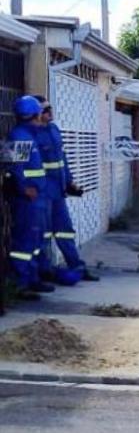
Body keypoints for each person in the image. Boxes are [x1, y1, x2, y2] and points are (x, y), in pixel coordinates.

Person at [36, 100, 99, 282]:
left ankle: (76, 265)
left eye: (50, 107)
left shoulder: (54, 130)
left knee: (65, 230)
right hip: (42, 192)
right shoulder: (32, 135)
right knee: (44, 233)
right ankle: (44, 270)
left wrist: (70, 182)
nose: (50, 111)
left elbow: (62, 159)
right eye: (45, 109)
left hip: (58, 191)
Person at [5, 96, 54, 300]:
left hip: (36, 196)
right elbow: (15, 167)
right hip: (27, 199)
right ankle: (21, 283)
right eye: (40, 113)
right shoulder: (20, 136)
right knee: (25, 241)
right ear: (34, 115)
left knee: (34, 239)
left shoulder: (29, 134)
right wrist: (25, 188)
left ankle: (32, 278)